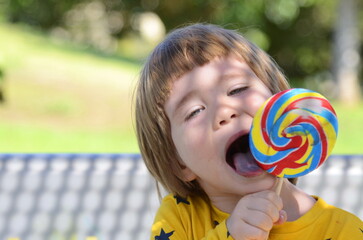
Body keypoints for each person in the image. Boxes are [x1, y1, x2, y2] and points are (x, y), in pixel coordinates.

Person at [135, 23, 362, 240]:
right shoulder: (180, 219)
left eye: (238, 89)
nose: (224, 111)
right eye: (194, 111)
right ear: (178, 163)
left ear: (279, 106)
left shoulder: (346, 231)